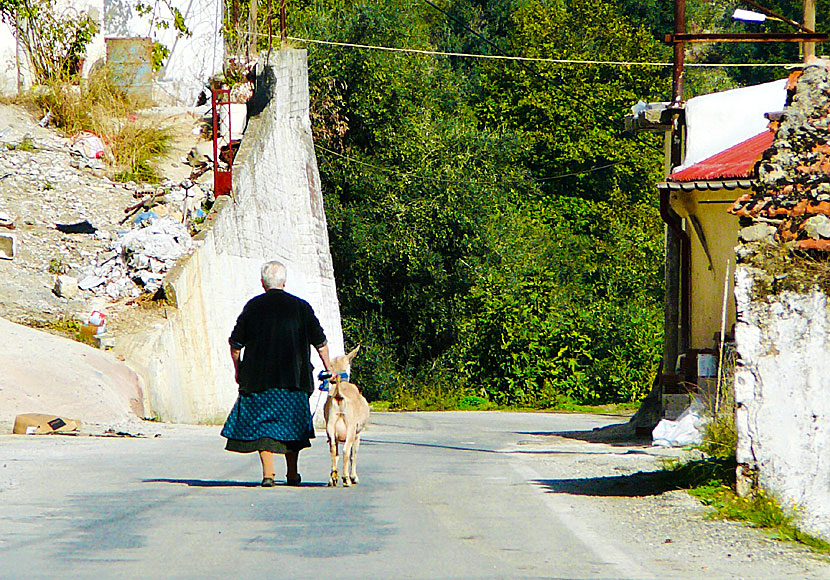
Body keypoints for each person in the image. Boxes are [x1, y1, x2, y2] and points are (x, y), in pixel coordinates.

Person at [221, 260, 332, 487]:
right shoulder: (302, 307)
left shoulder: (253, 307)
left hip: (258, 380)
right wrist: (328, 368)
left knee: (264, 427)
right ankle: (292, 474)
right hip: (294, 379)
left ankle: (268, 474)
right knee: (291, 426)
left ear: (263, 283)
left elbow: (235, 345)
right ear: (285, 282)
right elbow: (320, 343)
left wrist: (238, 370)